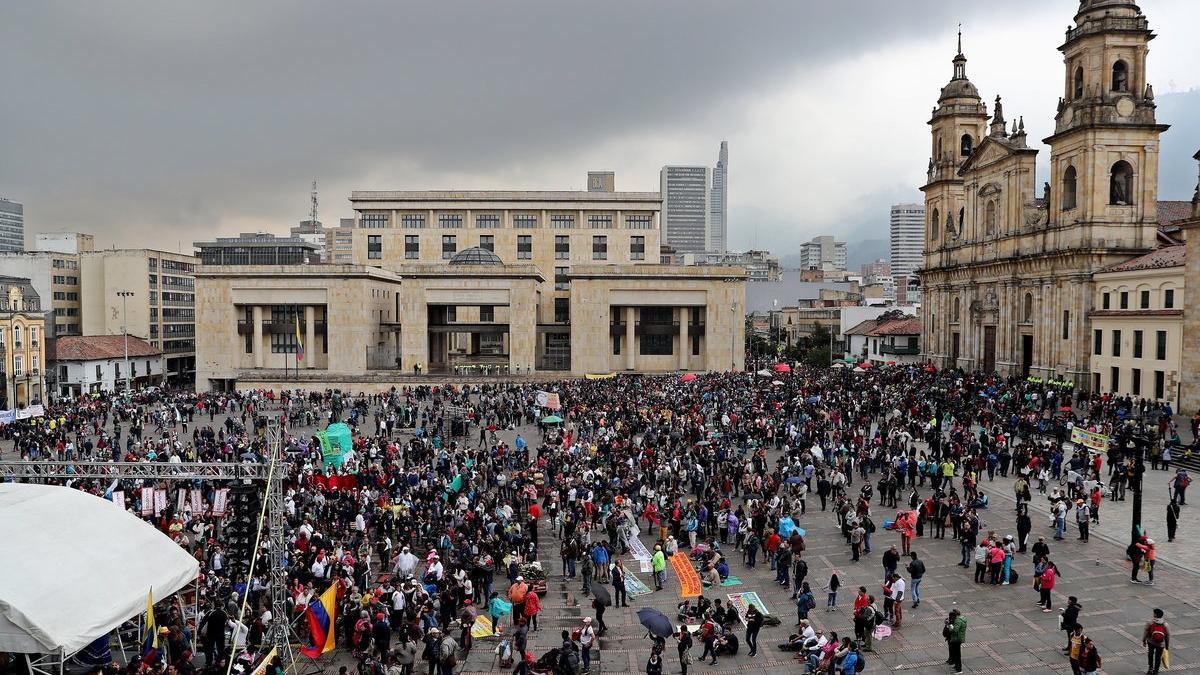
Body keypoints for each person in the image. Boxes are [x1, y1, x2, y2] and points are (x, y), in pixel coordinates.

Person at [1143, 608, 1169, 675]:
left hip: (1151, 642)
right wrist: (1167, 645)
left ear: (1155, 615)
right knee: (1158, 657)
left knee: (1150, 654)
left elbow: (1145, 632)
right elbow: (1167, 635)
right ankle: (1156, 671)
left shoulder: (1150, 622)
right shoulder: (1165, 624)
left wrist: (1144, 640)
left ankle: (1150, 669)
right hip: (1161, 644)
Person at [944, 609, 965, 674]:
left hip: (957, 639)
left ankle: (959, 670)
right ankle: (956, 666)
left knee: (957, 655)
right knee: (956, 654)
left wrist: (949, 625)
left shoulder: (958, 621)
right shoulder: (960, 619)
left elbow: (954, 630)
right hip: (956, 638)